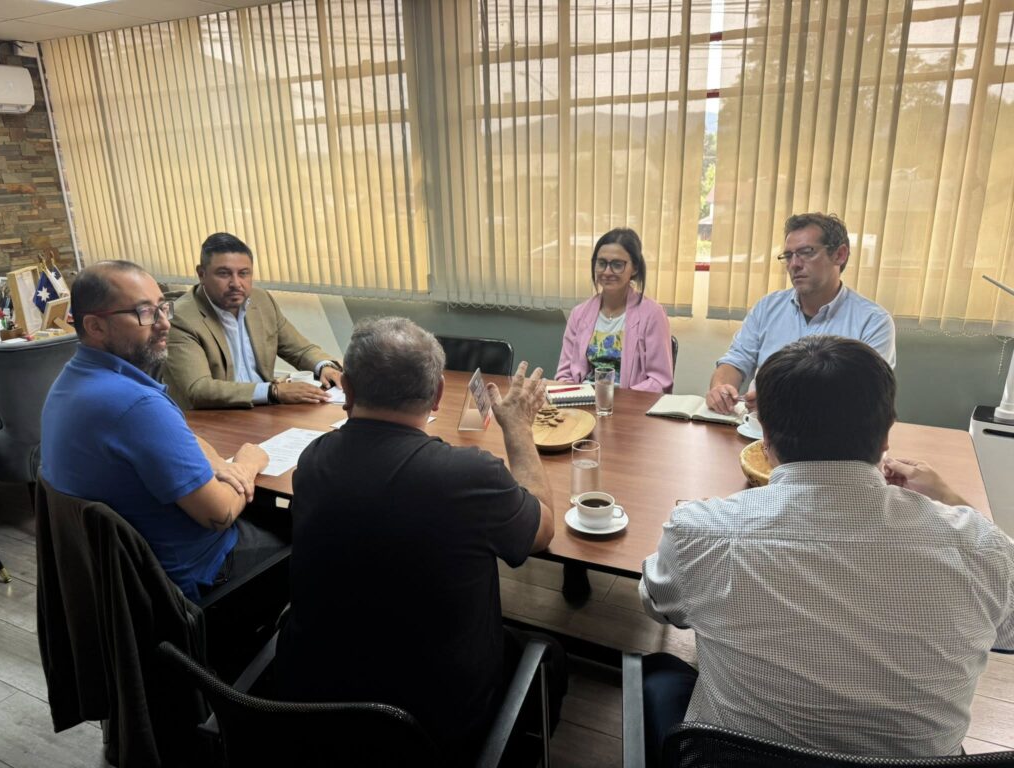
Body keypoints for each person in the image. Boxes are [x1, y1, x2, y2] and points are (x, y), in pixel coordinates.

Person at [639, 336, 1014, 764]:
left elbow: (658, 602)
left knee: (660, 673)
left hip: (733, 760)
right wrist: (951, 500)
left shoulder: (700, 533)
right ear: (887, 432)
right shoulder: (979, 546)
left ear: (765, 436)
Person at [276, 317, 565, 765]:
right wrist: (518, 428)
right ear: (437, 395)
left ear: (346, 388)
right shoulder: (468, 476)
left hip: (311, 715)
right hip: (431, 731)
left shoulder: (313, 461)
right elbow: (542, 532)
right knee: (552, 658)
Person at [40, 260, 286, 603]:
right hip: (192, 580)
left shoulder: (72, 381)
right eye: (145, 313)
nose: (164, 323)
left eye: (162, 307)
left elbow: (182, 434)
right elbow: (219, 515)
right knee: (310, 533)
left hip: (120, 580)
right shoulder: (136, 405)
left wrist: (219, 463)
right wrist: (248, 463)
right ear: (95, 326)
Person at [706, 213, 896, 414]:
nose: (794, 264)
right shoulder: (767, 308)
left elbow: (867, 397)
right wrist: (720, 389)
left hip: (832, 430)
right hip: (757, 426)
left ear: (839, 255)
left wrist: (780, 403)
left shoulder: (873, 321)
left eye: (806, 252)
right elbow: (736, 361)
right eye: (788, 256)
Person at [163, 232, 343, 410]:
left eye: (243, 273)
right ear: (201, 274)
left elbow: (300, 350)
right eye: (224, 274)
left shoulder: (261, 300)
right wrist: (273, 392)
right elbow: (199, 389)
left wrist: (324, 367)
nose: (236, 283)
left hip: (264, 410)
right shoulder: (179, 317)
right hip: (213, 416)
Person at [556, 228, 674, 393]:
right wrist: (574, 396)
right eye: (601, 263)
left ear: (635, 268)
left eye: (617, 265)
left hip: (632, 403)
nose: (607, 272)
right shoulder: (579, 314)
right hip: (584, 401)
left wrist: (617, 400)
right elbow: (565, 374)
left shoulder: (653, 314)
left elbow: (659, 380)